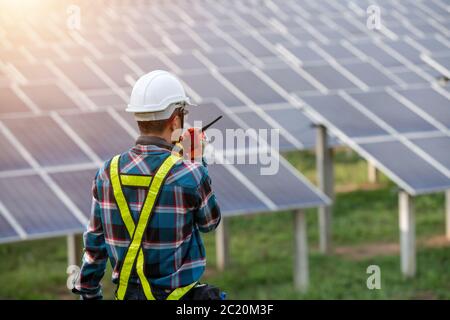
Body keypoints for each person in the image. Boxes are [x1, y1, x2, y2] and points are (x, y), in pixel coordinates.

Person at [72, 70, 222, 300]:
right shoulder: (190, 173)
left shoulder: (106, 173)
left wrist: (89, 294)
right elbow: (210, 223)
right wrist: (197, 161)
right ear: (175, 120)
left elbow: (94, 246)